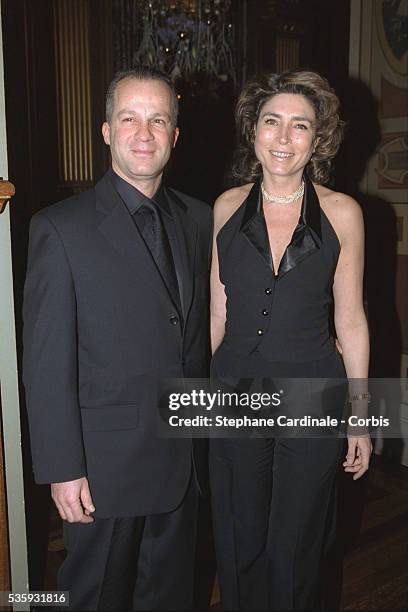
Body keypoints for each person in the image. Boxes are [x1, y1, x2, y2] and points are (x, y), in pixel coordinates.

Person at [23, 66, 212, 611]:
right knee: (91, 596)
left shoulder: (199, 220)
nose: (144, 132)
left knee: (172, 596)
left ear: (175, 135)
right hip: (104, 467)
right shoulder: (60, 228)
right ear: (105, 130)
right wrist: (62, 468)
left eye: (159, 119)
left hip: (183, 460)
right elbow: (46, 361)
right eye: (129, 117)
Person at [209, 70, 372, 611]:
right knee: (239, 534)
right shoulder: (226, 207)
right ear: (253, 130)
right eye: (271, 122)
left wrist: (361, 418)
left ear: (317, 138)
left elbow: (350, 319)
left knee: (297, 543)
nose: (283, 138)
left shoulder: (343, 213)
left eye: (299, 126)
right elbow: (218, 311)